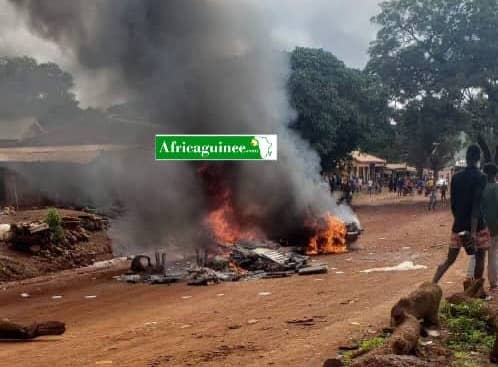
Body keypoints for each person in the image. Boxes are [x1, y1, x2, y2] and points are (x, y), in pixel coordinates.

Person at [433, 145, 489, 284]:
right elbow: (476, 205)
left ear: (466, 158)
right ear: (478, 158)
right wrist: (474, 232)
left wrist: (459, 220)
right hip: (478, 227)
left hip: (458, 226)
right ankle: (476, 292)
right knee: (480, 258)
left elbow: (453, 204)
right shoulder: (482, 177)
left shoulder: (456, 177)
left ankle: (432, 284)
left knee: (449, 260)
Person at [467, 163, 498, 291]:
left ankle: (470, 279)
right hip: (493, 226)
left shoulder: (478, 188)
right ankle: (493, 282)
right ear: (495, 174)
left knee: (476, 255)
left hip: (478, 226)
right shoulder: (496, 188)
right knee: (492, 254)